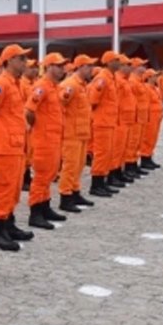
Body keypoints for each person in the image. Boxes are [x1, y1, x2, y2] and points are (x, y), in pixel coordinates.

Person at [0, 45, 34, 251]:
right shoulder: (1, 84)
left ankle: (8, 223)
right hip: (4, 146)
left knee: (13, 190)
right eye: (21, 59)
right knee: (4, 189)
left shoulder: (15, 84)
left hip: (16, 145)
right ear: (10, 61)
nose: (25, 63)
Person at [25, 53, 68, 229]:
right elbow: (29, 111)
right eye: (58, 66)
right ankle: (35, 212)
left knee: (49, 175)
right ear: (49, 67)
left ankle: (45, 206)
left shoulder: (55, 87)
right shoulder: (41, 87)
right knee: (41, 177)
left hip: (54, 138)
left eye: (62, 66)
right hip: (43, 139)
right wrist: (39, 128)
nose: (62, 69)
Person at [58, 55, 97, 209]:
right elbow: (59, 105)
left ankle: (75, 191)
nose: (91, 70)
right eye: (88, 66)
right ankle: (65, 196)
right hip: (71, 133)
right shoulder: (70, 85)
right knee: (70, 166)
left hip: (81, 132)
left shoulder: (82, 85)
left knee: (79, 165)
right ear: (80, 67)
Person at [88, 53, 123, 195]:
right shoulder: (102, 79)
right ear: (108, 62)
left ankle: (102, 182)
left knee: (107, 153)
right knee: (101, 153)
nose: (119, 63)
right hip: (102, 122)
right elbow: (93, 101)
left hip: (109, 122)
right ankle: (96, 185)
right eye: (116, 60)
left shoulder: (111, 78)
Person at [112, 58, 137, 184]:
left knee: (123, 148)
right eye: (127, 65)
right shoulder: (117, 80)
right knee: (117, 149)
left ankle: (119, 172)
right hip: (119, 119)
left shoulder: (125, 80)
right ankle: (113, 174)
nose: (130, 67)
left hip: (127, 119)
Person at [126, 59, 150, 178]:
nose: (144, 67)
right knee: (132, 142)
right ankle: (130, 166)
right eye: (142, 65)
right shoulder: (132, 81)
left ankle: (134, 165)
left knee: (138, 142)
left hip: (140, 117)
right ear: (136, 67)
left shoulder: (139, 81)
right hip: (134, 117)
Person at [20, 59, 39, 192]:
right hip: (23, 123)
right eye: (31, 67)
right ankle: (23, 178)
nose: (35, 70)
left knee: (29, 152)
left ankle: (26, 178)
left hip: (31, 124)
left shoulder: (34, 84)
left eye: (36, 67)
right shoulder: (21, 84)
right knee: (24, 152)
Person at [140, 70, 163, 169]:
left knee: (154, 137)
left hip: (157, 116)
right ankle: (145, 159)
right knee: (148, 138)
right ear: (149, 77)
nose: (156, 78)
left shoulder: (155, 89)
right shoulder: (146, 88)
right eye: (154, 76)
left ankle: (149, 157)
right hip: (150, 117)